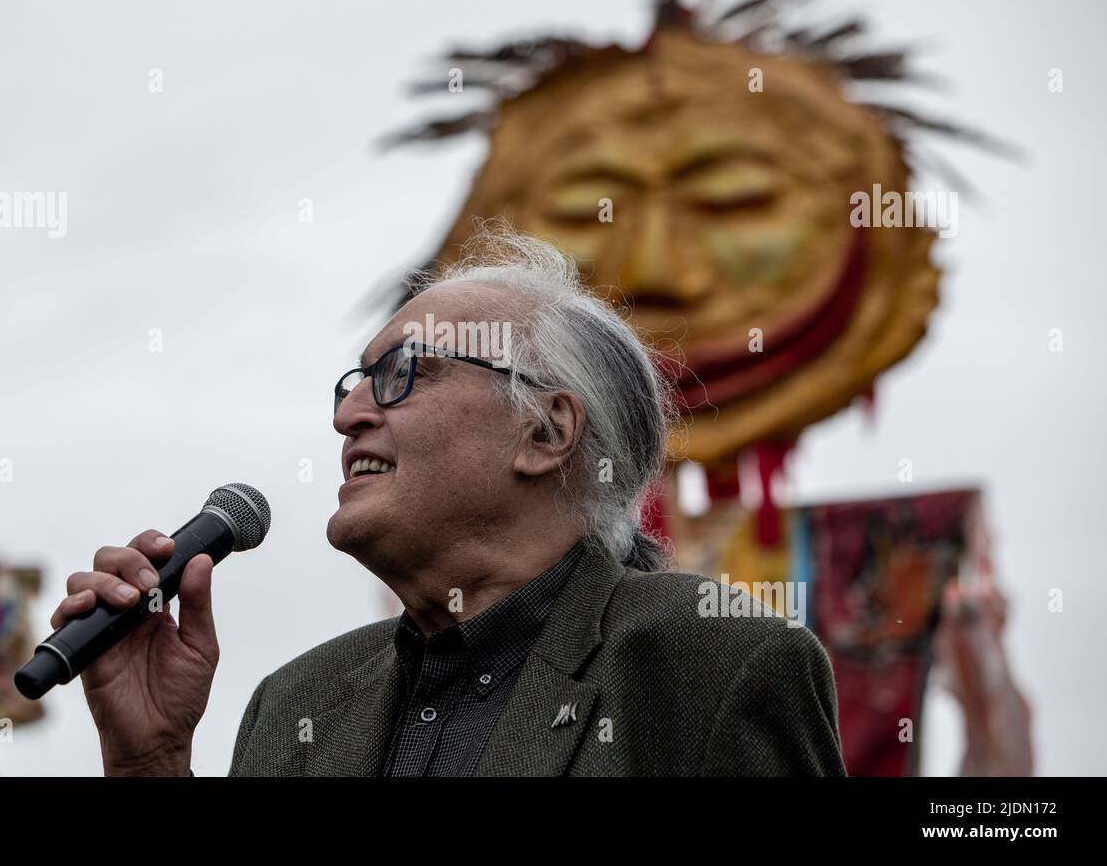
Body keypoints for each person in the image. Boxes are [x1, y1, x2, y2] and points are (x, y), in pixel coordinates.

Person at [51, 226, 845, 776]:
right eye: (353, 383)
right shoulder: (294, 705)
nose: (349, 413)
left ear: (545, 430)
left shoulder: (711, 664)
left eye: (403, 373)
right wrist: (149, 761)